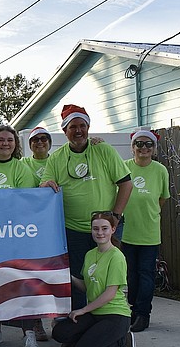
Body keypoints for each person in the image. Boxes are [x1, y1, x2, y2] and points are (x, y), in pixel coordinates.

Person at [40, 104, 132, 316]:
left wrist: (115, 216)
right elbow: (45, 185)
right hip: (73, 229)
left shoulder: (104, 150)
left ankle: (114, 319)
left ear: (89, 127)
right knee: (78, 278)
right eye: (73, 127)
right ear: (65, 131)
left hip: (106, 228)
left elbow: (126, 184)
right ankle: (79, 321)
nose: (78, 131)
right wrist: (45, 185)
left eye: (83, 125)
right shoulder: (56, 158)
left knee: (110, 276)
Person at [0, 124, 44, 347]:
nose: (5, 143)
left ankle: (28, 333)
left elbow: (26, 201)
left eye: (10, 140)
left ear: (16, 144)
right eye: (1, 140)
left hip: (16, 235)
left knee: (22, 283)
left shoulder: (20, 167)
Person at [52, 211, 136, 347]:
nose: (100, 233)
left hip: (114, 315)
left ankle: (122, 339)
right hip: (94, 314)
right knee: (60, 333)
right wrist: (67, 277)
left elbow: (110, 294)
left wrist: (82, 310)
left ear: (113, 230)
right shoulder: (90, 254)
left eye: (104, 228)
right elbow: (87, 287)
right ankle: (93, 338)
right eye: (95, 229)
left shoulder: (116, 257)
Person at [122, 130, 169, 332]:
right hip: (125, 232)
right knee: (130, 275)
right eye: (139, 144)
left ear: (154, 149)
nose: (144, 148)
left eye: (148, 144)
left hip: (149, 233)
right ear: (132, 147)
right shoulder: (123, 167)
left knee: (146, 274)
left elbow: (163, 198)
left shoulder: (160, 170)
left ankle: (143, 314)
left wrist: (149, 212)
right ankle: (132, 309)